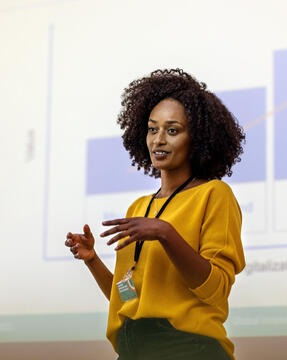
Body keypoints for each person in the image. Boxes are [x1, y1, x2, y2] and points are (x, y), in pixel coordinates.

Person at [65, 69, 246, 360]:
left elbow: (215, 290)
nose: (158, 140)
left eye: (172, 130)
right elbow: (129, 297)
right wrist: (92, 260)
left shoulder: (215, 194)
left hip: (188, 348)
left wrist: (166, 233)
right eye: (152, 129)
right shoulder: (139, 208)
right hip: (133, 347)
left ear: (197, 139)